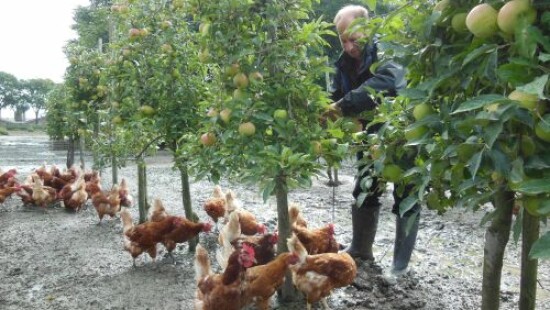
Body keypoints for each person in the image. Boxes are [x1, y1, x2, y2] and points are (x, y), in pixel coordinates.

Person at [326, 5, 420, 283]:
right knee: (364, 189)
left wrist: (344, 104)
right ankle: (361, 249)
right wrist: (325, 107)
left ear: (366, 28)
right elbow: (338, 94)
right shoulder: (343, 62)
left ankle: (400, 266)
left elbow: (388, 80)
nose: (348, 45)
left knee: (406, 194)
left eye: (352, 38)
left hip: (400, 132)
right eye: (342, 39)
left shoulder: (387, 50)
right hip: (369, 138)